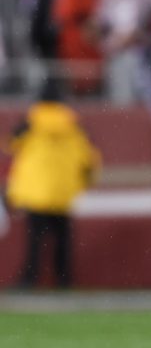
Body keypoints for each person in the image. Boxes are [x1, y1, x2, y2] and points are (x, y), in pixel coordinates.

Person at [5, 81, 101, 288]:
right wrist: (85, 182)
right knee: (63, 240)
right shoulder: (74, 124)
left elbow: (11, 144)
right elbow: (90, 158)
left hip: (36, 192)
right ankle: (64, 280)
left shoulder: (31, 121)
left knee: (34, 241)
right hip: (62, 192)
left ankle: (29, 280)